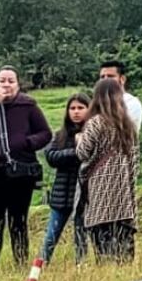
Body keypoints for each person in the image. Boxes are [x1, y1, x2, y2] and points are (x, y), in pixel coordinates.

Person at [0, 66, 51, 270]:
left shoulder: (28, 105)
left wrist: (26, 143)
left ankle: (21, 264)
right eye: (2, 81)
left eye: (11, 81)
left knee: (19, 220)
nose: (6, 85)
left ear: (18, 84)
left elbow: (45, 133)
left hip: (21, 170)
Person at [77, 76, 140, 262]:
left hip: (100, 196)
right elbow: (135, 163)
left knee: (104, 253)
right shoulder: (129, 126)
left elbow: (83, 153)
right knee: (124, 253)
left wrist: (79, 140)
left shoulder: (96, 123)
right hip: (124, 199)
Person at [40, 93, 91, 265]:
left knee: (81, 238)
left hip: (84, 197)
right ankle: (40, 267)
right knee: (50, 238)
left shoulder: (94, 134)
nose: (76, 112)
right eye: (72, 108)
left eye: (80, 108)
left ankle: (81, 268)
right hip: (61, 196)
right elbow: (51, 157)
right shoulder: (60, 135)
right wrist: (76, 151)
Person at [99, 60, 142, 134]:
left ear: (122, 79)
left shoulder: (132, 103)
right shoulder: (98, 102)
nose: (105, 80)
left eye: (110, 76)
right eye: (102, 77)